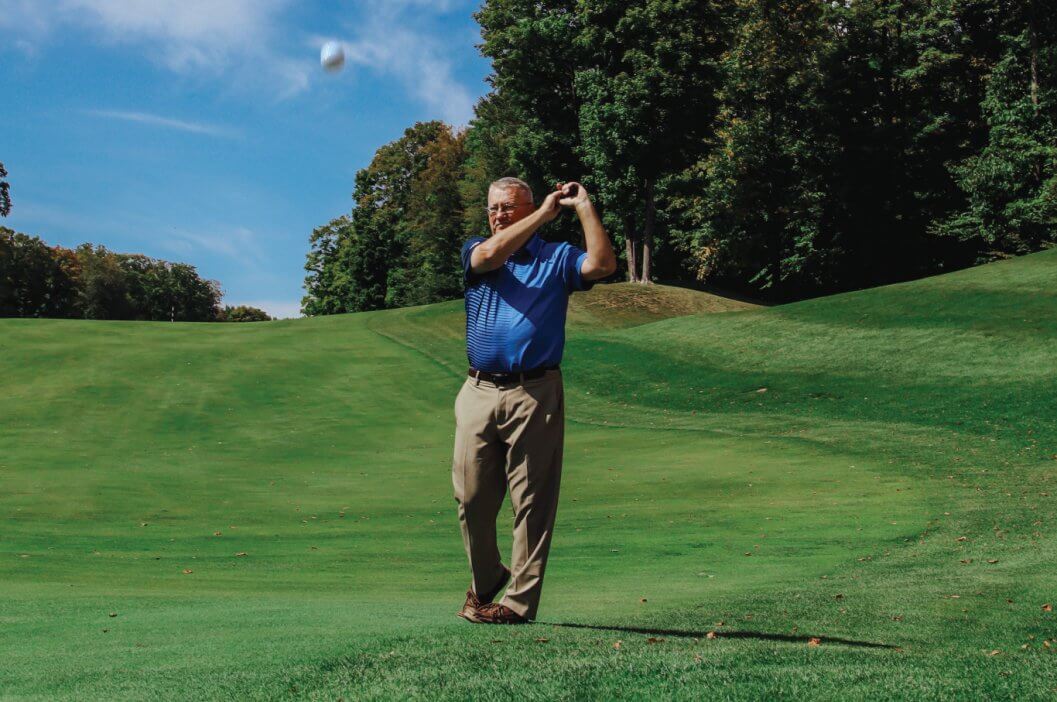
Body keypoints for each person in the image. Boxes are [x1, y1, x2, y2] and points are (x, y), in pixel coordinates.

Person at [453, 177, 617, 624]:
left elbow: (602, 264)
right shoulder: (477, 250)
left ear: (527, 206)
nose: (498, 215)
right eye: (492, 208)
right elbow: (489, 253)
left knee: (532, 502)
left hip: (535, 389)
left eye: (507, 207)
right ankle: (487, 577)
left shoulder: (556, 258)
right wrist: (546, 212)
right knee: (470, 499)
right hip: (478, 390)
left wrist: (582, 206)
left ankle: (517, 604)